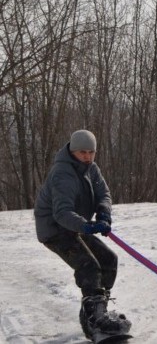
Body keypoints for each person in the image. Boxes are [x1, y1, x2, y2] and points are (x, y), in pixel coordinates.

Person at [34, 130, 130, 339]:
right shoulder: (63, 173)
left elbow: (103, 193)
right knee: (88, 265)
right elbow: (61, 212)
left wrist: (104, 213)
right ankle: (94, 317)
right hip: (54, 229)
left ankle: (97, 309)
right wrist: (85, 226)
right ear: (72, 151)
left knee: (108, 259)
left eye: (91, 152)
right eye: (82, 152)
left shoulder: (91, 169)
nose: (87, 156)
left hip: (75, 225)